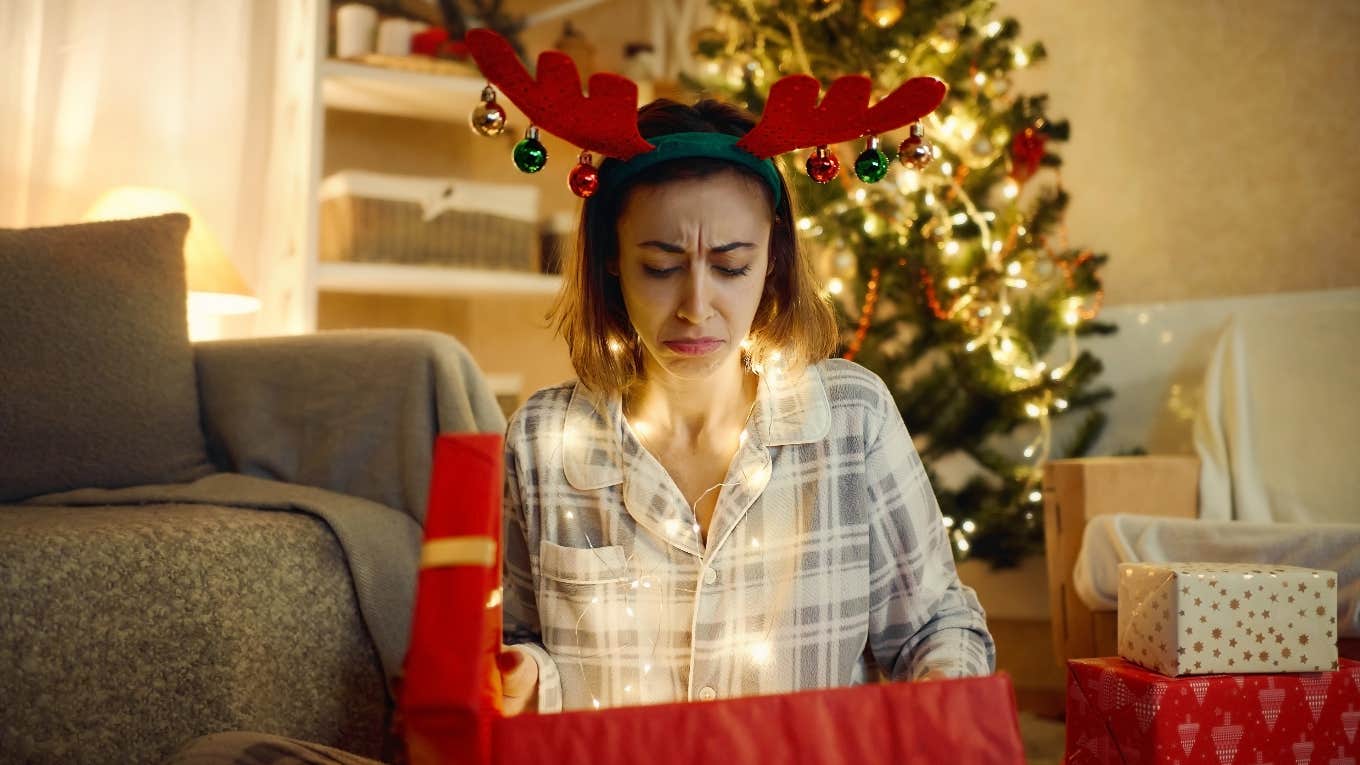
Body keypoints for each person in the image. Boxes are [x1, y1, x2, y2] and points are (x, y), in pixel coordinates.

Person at [497, 97, 995, 716]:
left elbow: (935, 628)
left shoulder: (850, 419)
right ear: (611, 260)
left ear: (773, 261)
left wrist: (940, 690)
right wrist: (520, 677)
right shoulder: (544, 440)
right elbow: (520, 642)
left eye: (732, 266)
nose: (695, 307)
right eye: (660, 267)